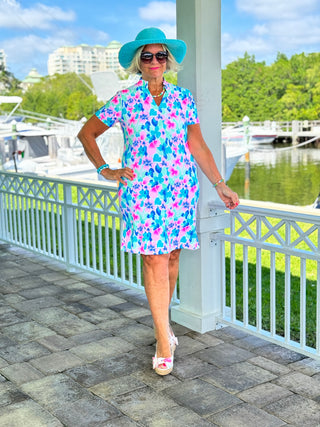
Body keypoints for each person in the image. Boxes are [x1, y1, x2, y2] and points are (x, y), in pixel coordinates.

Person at [77, 27, 239, 376]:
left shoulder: (183, 99)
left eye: (160, 56)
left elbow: (197, 145)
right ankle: (163, 340)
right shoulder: (125, 99)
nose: (154, 62)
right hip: (142, 192)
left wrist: (220, 184)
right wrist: (106, 169)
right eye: (147, 56)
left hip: (181, 188)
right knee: (154, 260)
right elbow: (86, 133)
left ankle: (162, 325)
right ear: (139, 62)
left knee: (173, 256)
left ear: (168, 61)